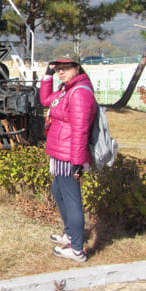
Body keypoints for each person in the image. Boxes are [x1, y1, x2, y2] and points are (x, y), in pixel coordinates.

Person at [40, 57, 97, 262]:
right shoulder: (67, 89)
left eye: (65, 68)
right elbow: (46, 100)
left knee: (72, 200)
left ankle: (77, 249)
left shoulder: (79, 92)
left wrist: (77, 161)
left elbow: (80, 130)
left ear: (77, 68)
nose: (61, 73)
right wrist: (47, 75)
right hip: (60, 151)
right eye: (58, 70)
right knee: (57, 190)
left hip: (69, 155)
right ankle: (69, 234)